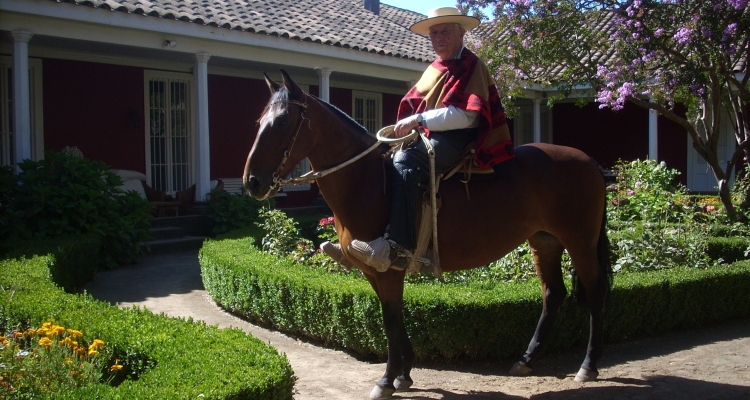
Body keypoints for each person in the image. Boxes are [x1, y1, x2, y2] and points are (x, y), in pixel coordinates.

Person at [325, 7, 515, 272]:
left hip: (458, 138)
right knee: (381, 161)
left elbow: (469, 116)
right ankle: (355, 245)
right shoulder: (436, 68)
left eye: (445, 31)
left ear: (461, 33)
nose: (438, 37)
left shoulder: (472, 65)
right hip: (428, 133)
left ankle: (399, 247)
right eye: (434, 33)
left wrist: (418, 120)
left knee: (405, 160)